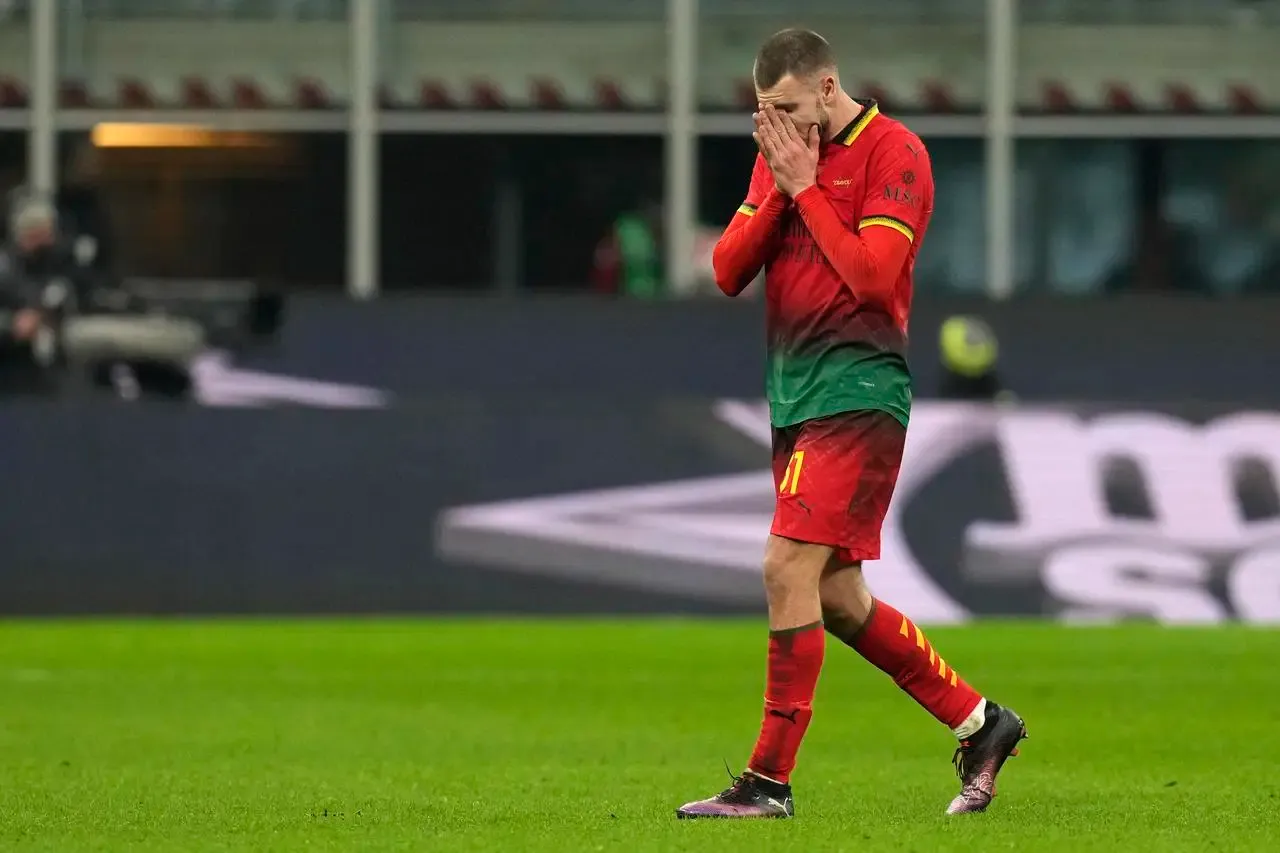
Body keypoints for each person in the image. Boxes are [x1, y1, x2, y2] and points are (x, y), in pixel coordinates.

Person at [676, 28, 1026, 820]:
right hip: (793, 395)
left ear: (828, 88)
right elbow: (729, 269)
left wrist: (805, 189)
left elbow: (872, 277)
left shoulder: (896, 153)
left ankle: (767, 780)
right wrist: (781, 182)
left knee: (784, 565)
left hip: (858, 387)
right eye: (765, 113)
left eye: (790, 108)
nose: (778, 125)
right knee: (835, 593)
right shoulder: (782, 156)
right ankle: (981, 722)